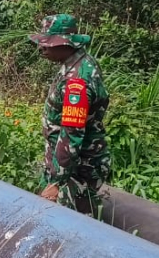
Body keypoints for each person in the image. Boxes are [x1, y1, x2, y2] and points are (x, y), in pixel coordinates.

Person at [29, 14, 111, 217]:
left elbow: (71, 135)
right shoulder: (74, 66)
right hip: (65, 167)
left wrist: (58, 182)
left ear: (67, 43)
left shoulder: (77, 81)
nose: (43, 48)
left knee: (70, 225)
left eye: (49, 43)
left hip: (76, 172)